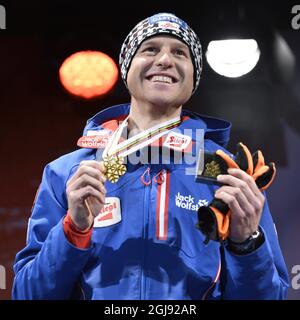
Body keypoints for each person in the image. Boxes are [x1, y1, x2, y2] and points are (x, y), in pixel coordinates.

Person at [13, 12, 289, 300]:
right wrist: (74, 229)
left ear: (193, 77)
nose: (165, 60)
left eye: (180, 53)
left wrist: (246, 244)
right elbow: (28, 294)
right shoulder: (70, 172)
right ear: (127, 68)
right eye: (150, 49)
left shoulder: (226, 174)